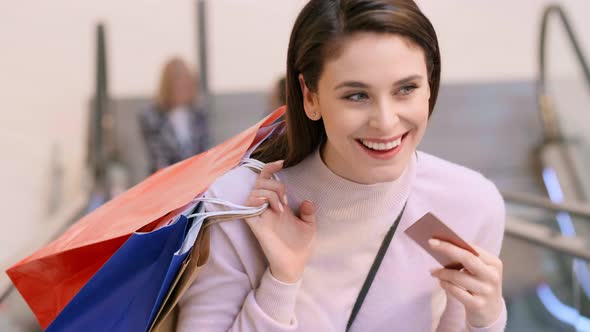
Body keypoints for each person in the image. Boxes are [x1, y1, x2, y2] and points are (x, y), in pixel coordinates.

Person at [178, 0, 507, 331]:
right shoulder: (240, 206)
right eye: (357, 96)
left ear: (430, 84)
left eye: (406, 89)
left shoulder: (469, 204)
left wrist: (485, 320)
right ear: (310, 97)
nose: (385, 121)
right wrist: (281, 281)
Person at [139, 57, 209, 174]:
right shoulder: (151, 116)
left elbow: (206, 150)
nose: (181, 90)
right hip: (167, 180)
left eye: (185, 85)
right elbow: (158, 158)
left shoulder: (199, 113)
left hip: (199, 177)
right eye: (176, 86)